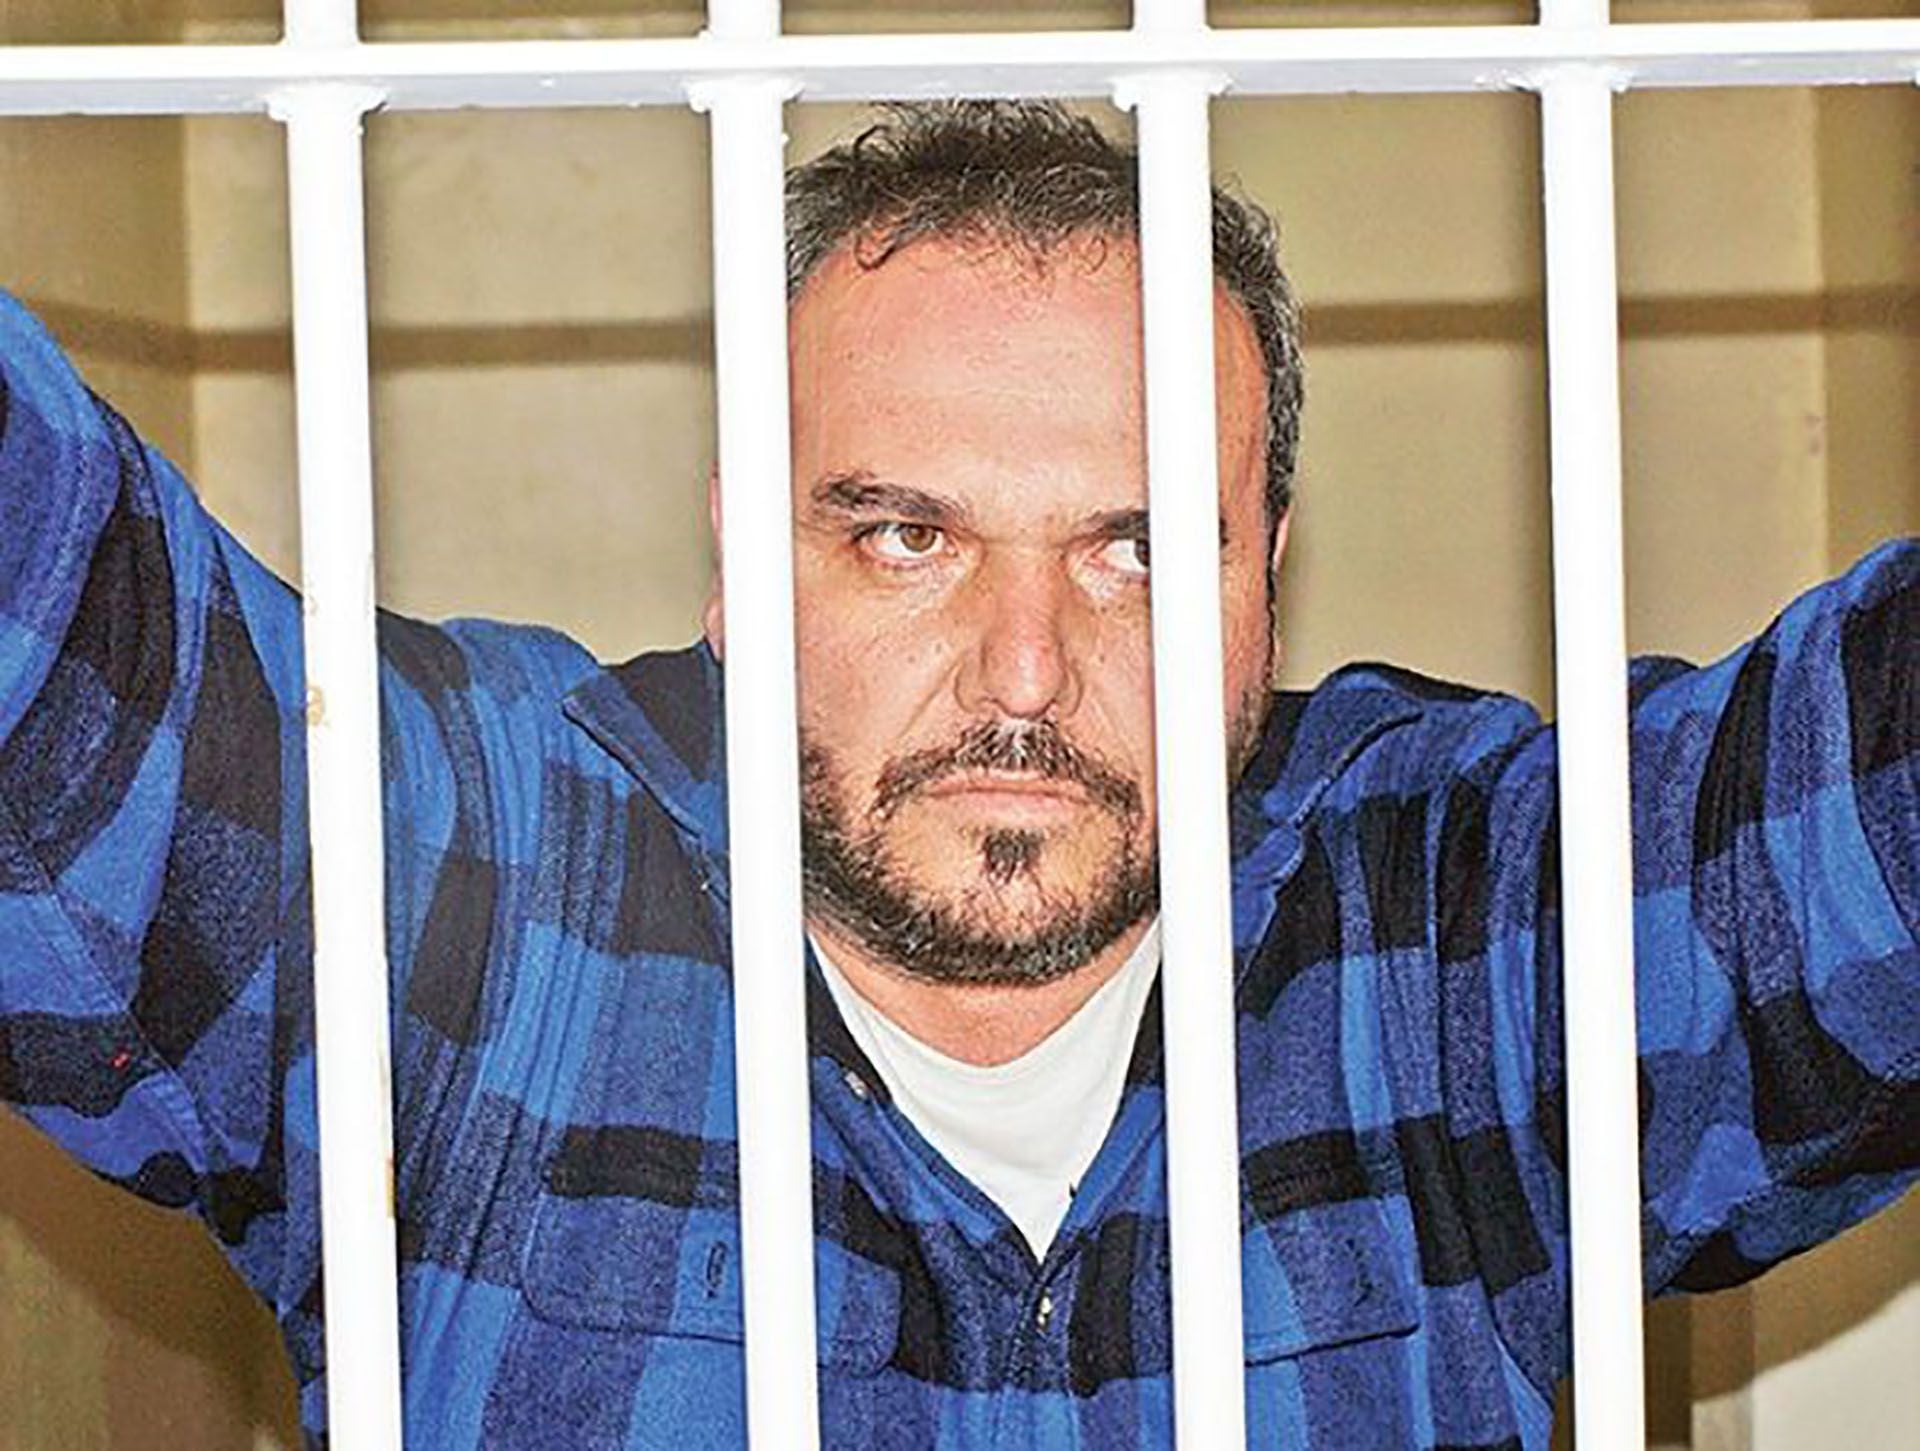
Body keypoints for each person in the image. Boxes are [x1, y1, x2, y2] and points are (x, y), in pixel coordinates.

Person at [0, 101, 1912, 1451]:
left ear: (1268, 572)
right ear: (743, 560)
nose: (1024, 672)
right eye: (907, 537)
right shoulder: (485, 905)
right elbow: (60, 637)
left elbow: (1864, 807)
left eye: (1136, 548)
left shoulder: (1445, 933)